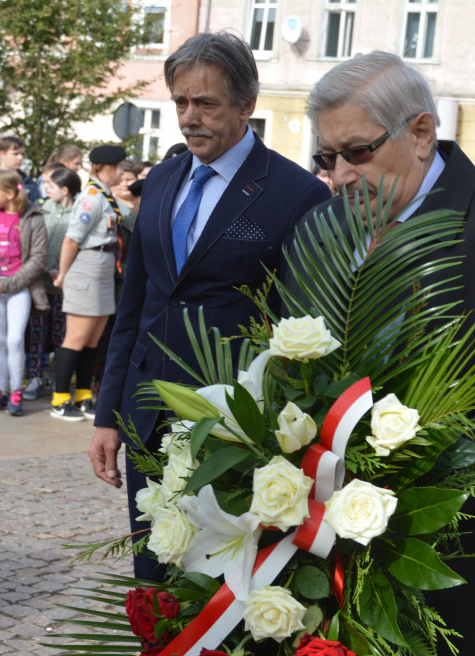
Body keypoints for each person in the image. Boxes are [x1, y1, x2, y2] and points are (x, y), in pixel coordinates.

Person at [295, 51, 475, 656]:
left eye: (358, 152)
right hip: (319, 554)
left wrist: (403, 486)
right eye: (326, 158)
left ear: (420, 133)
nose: (340, 175)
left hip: (458, 552)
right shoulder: (318, 225)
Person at [87, 31, 332, 580]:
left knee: (223, 596)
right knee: (155, 584)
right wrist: (109, 416)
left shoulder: (296, 193)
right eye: (180, 102)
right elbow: (136, 307)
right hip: (149, 419)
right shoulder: (162, 180)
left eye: (206, 104)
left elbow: (303, 329)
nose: (189, 117)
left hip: (235, 429)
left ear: (247, 104)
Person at [49, 146, 127, 421]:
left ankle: (83, 394)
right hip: (87, 268)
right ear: (101, 167)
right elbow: (71, 239)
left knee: (92, 340)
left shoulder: (106, 196)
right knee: (77, 338)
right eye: (117, 166)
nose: (121, 170)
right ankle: (60, 399)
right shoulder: (91, 198)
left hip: (103, 269)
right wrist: (62, 274)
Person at [0, 170, 49, 416]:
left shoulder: (33, 217)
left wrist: (7, 284)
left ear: (8, 193)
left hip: (19, 288)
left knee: (15, 339)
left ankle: (17, 391)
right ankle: (1, 391)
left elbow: (38, 260)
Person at [23, 165, 78, 401]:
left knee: (61, 335)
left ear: (65, 190)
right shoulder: (42, 210)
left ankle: (59, 379)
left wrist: (66, 272)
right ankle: (34, 376)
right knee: (37, 334)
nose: (45, 189)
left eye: (50, 186)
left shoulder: (79, 211)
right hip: (40, 285)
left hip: (66, 288)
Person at [0, 135, 41, 203]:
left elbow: (37, 205)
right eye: (15, 154)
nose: (20, 158)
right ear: (2, 154)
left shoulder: (27, 182)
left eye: (22, 154)